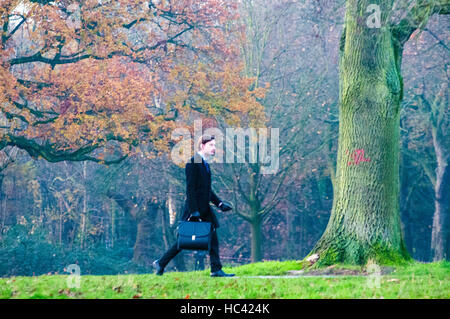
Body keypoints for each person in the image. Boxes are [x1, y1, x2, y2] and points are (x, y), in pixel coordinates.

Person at [153, 134, 235, 277]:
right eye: (211, 145)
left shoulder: (205, 164)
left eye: (214, 145)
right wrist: (193, 211)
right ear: (202, 146)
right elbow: (190, 189)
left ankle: (216, 269)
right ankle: (161, 263)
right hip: (195, 209)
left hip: (204, 209)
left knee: (213, 237)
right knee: (184, 241)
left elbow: (207, 190)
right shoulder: (193, 163)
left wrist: (220, 204)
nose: (214, 148)